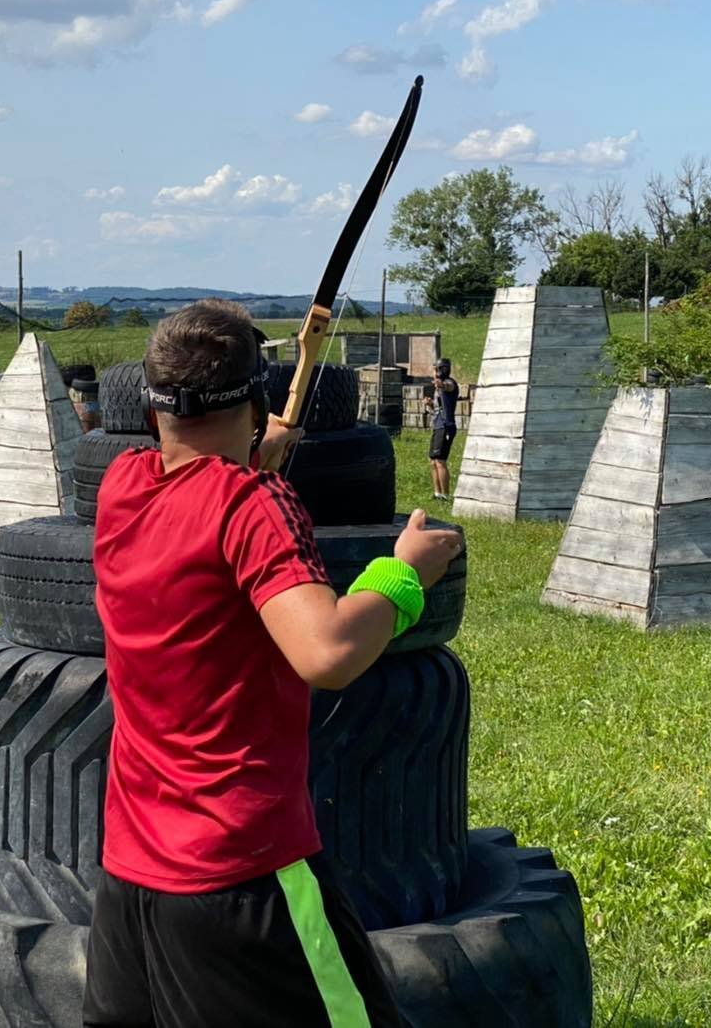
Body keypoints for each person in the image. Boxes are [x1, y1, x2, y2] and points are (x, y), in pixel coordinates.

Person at [84, 300, 463, 1027]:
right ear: (255, 400)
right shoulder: (254, 503)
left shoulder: (122, 488)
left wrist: (252, 448)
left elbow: (194, 477)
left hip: (131, 877)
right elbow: (328, 651)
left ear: (154, 401)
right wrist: (403, 573)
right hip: (243, 875)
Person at [425, 358, 459, 502]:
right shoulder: (437, 390)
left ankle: (445, 495)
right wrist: (430, 404)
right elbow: (438, 409)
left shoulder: (450, 383)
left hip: (446, 426)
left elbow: (448, 386)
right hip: (437, 425)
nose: (434, 373)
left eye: (436, 370)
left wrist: (441, 384)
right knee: (433, 460)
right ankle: (437, 493)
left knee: (440, 461)